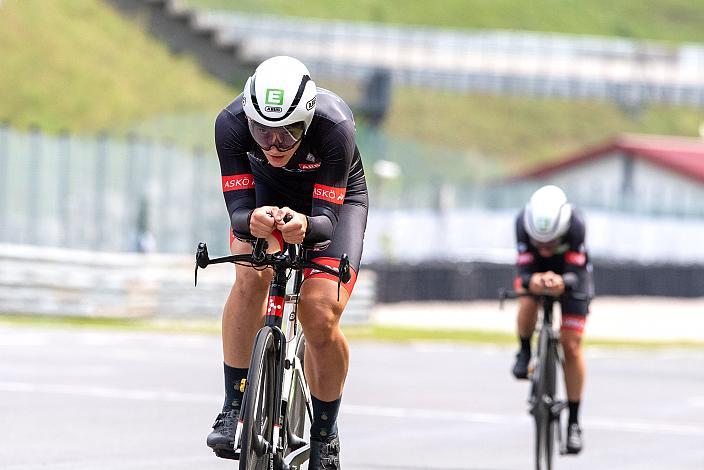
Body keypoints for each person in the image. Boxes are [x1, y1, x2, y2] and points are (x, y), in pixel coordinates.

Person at [206, 56, 368, 469]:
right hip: (265, 196)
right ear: (249, 117)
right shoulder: (230, 124)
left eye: (288, 133)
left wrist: (306, 224)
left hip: (332, 203)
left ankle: (325, 432)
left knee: (318, 312)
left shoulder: (334, 127)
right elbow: (238, 209)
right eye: (262, 132)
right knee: (249, 278)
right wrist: (251, 220)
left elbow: (328, 222)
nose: (273, 145)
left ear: (308, 119)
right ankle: (233, 405)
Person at [512, 185, 593, 455]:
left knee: (571, 345)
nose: (545, 248)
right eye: (540, 243)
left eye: (551, 243)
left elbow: (577, 273)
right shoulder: (522, 223)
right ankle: (524, 350)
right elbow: (523, 269)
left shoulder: (576, 224)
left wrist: (563, 281)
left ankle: (573, 422)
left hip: (571, 273)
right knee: (526, 299)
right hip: (534, 272)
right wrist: (531, 280)